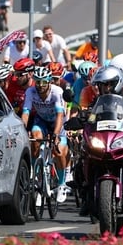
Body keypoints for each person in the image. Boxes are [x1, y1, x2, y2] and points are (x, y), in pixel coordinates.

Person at [22, 66, 70, 203]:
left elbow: (60, 115)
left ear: (49, 82)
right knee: (35, 139)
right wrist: (23, 129)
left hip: (56, 123)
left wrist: (56, 134)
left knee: (59, 151)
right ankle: (35, 176)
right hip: (41, 121)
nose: (40, 85)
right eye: (38, 82)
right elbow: (26, 112)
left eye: (44, 82)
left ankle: (61, 184)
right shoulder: (30, 91)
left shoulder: (57, 91)